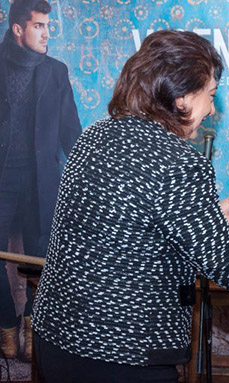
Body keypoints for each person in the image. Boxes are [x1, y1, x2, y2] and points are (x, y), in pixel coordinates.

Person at [31, 30, 229, 383]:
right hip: (122, 353)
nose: (211, 109)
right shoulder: (178, 162)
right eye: (210, 96)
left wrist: (211, 220)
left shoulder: (96, 134)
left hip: (57, 338)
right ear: (180, 98)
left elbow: (129, 230)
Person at [0, 0, 81, 362]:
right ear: (18, 29)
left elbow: (71, 132)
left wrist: (85, 176)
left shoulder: (56, 71)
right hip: (1, 178)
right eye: (39, 26)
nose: (48, 33)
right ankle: (5, 325)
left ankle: (34, 325)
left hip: (41, 178)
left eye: (49, 26)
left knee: (41, 259)